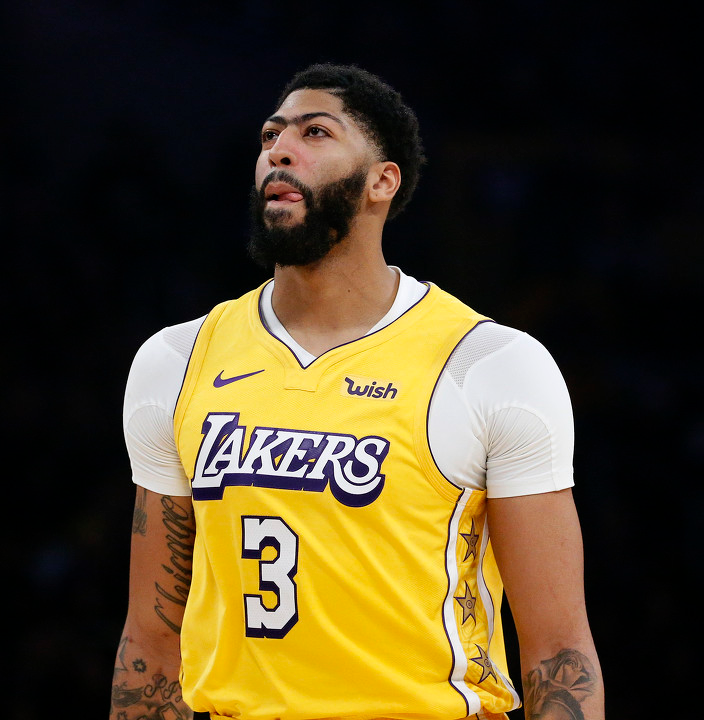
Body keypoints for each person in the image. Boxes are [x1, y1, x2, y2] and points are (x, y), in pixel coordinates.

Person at [113, 63, 603, 720]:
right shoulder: (175, 361)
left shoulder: (491, 366)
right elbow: (150, 643)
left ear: (382, 181)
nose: (279, 150)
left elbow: (558, 649)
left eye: (315, 132)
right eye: (270, 136)